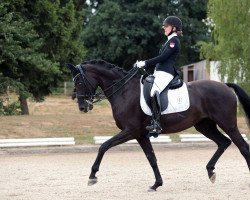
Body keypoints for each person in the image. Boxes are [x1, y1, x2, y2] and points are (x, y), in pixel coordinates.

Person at [135, 16, 182, 137]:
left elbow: (162, 58)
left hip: (166, 73)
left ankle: (156, 124)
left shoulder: (174, 41)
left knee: (154, 91)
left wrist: (144, 63)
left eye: (166, 26)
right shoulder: (168, 40)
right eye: (164, 27)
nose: (164, 28)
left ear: (174, 28)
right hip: (159, 72)